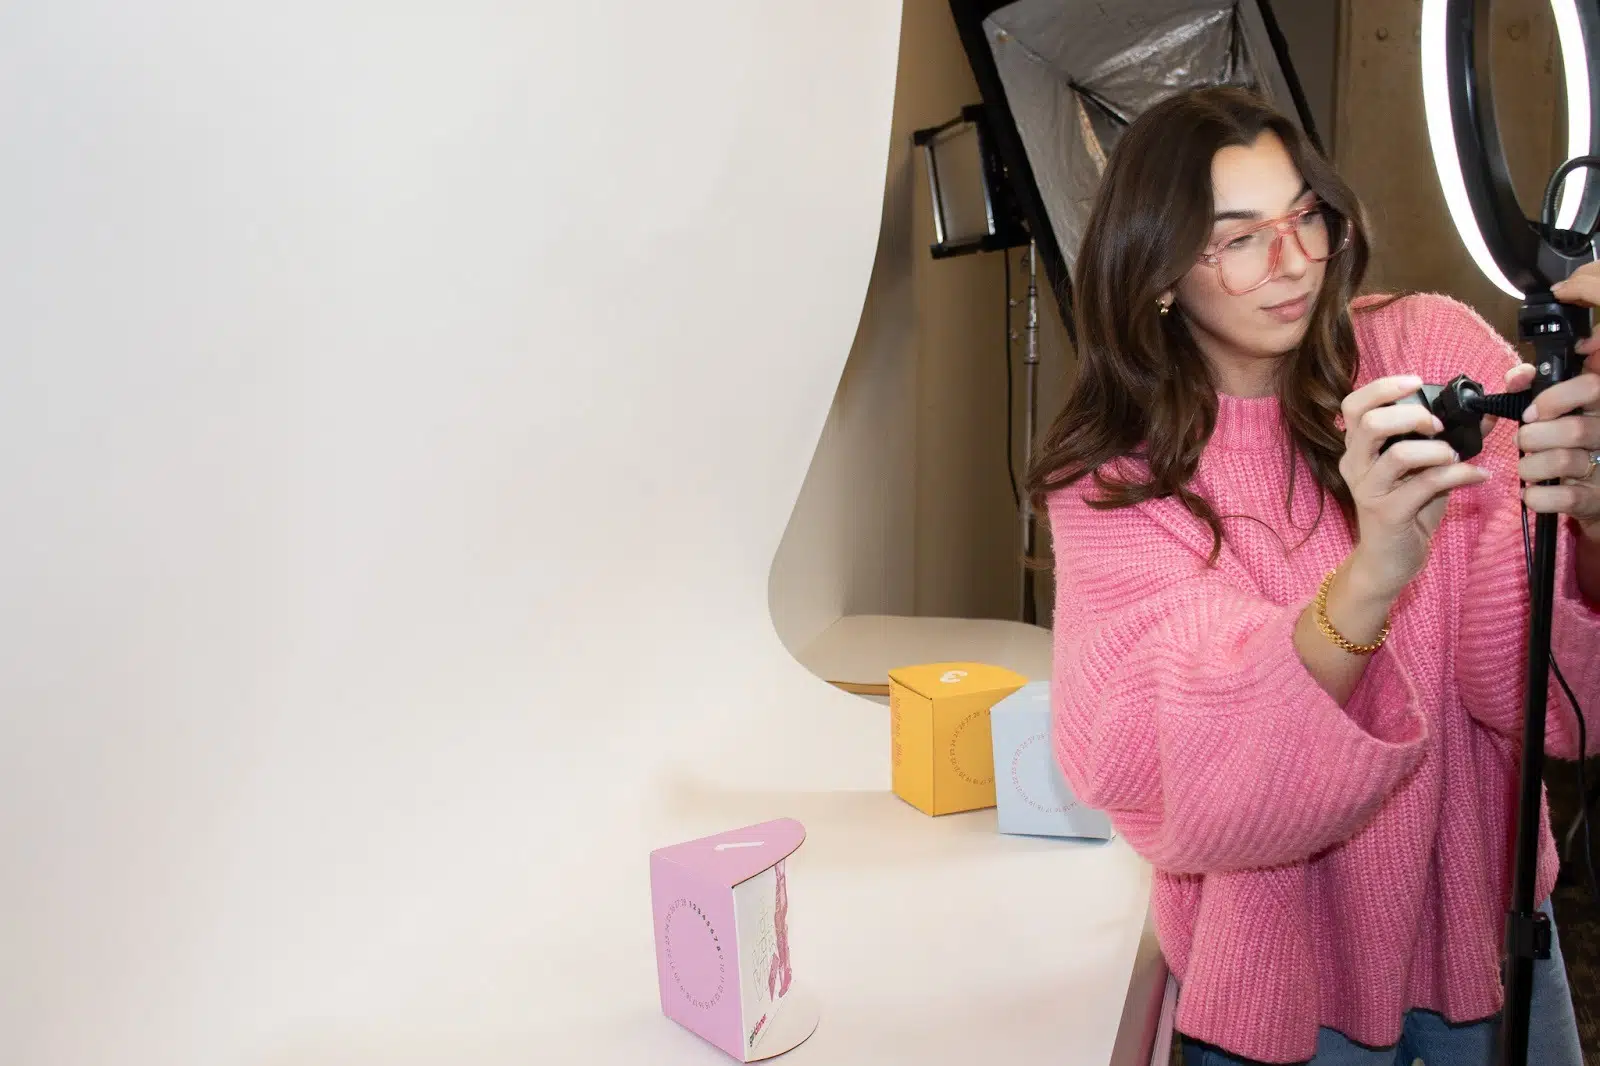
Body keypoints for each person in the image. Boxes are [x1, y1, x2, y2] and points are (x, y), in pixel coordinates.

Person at [1026, 86, 1600, 1065]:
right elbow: (1164, 768)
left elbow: (1546, 690)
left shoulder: (1426, 349)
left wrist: (1586, 516)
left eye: (1305, 219)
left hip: (1491, 940)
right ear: (1158, 269)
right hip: (1276, 991)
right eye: (1237, 237)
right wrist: (1374, 574)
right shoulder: (1117, 480)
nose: (1292, 263)